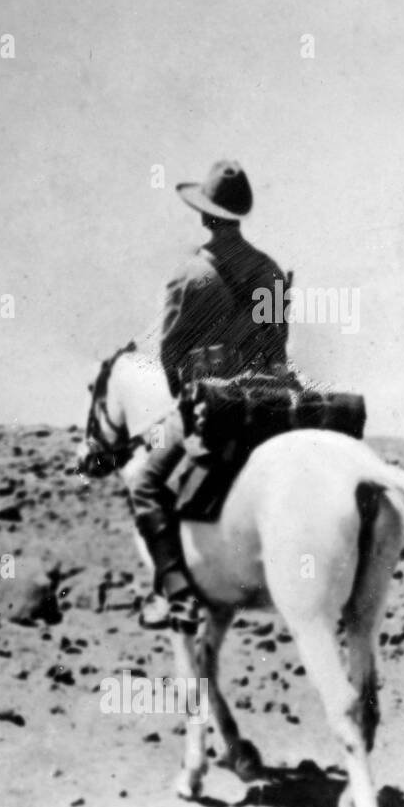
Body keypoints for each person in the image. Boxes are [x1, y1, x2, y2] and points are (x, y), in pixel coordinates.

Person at [131, 160, 289, 632]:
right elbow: (277, 343)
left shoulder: (191, 274)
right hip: (268, 404)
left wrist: (185, 399)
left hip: (213, 404)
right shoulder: (270, 272)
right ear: (240, 214)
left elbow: (171, 349)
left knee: (144, 483)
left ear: (204, 213)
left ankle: (176, 596)